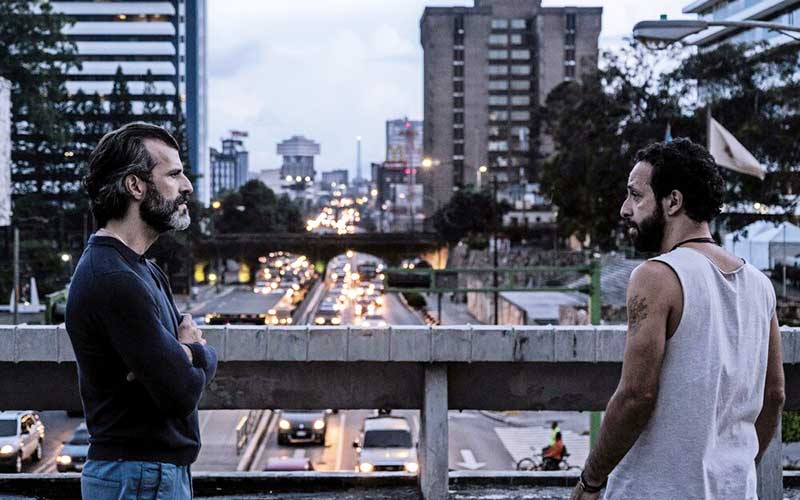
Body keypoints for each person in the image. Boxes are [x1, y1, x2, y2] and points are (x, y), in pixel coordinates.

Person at [571, 138, 785, 499]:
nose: (625, 209)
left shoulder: (655, 277)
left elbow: (636, 395)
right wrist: (739, 469)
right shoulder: (760, 284)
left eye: (636, 196)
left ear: (673, 201)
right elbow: (774, 394)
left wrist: (590, 481)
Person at [65, 122, 218, 500]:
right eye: (174, 175)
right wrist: (193, 351)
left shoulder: (144, 270)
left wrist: (181, 355)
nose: (187, 187)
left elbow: (176, 374)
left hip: (152, 475)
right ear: (135, 186)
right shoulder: (112, 278)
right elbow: (180, 391)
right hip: (138, 478)